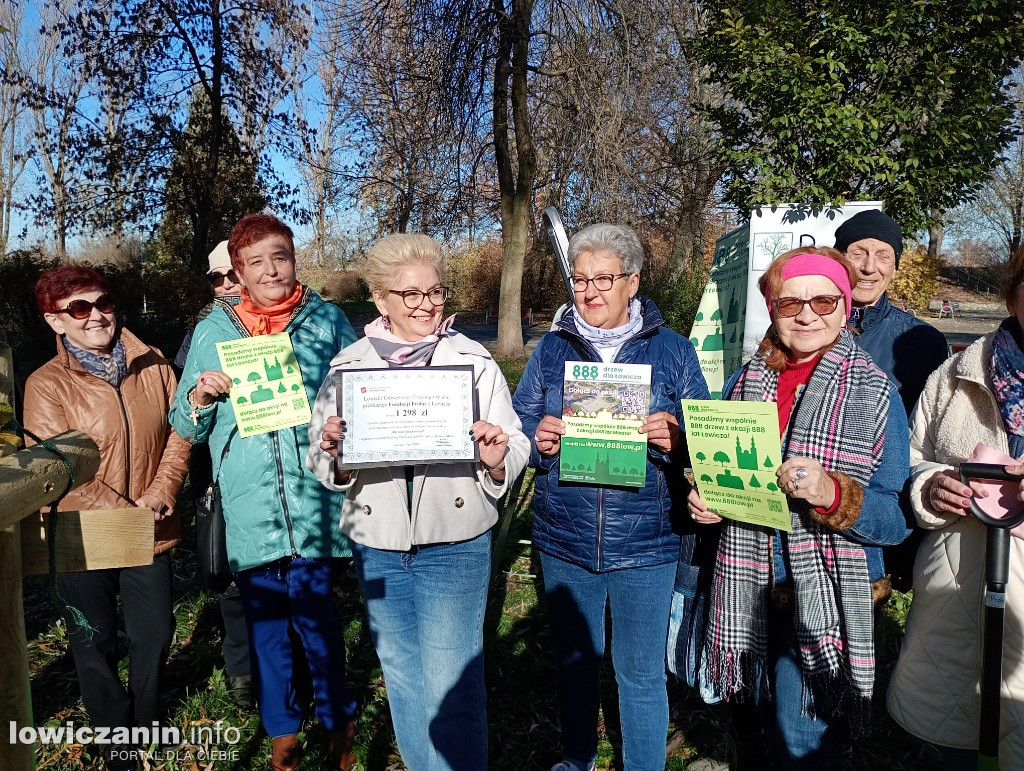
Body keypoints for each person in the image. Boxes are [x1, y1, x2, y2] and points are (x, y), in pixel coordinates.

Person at [307, 233, 529, 771]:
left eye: (435, 292)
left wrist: (497, 458)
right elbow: (317, 458)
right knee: (403, 675)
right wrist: (335, 452)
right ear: (380, 299)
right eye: (410, 295)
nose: (427, 304)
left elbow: (516, 439)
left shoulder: (472, 361)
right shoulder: (347, 366)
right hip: (378, 543)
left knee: (453, 681)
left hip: (455, 542)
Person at [687, 248, 909, 769]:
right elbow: (721, 467)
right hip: (747, 584)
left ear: (845, 304)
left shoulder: (877, 393)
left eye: (824, 300)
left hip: (825, 593)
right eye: (790, 304)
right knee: (759, 732)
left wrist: (834, 494)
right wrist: (710, 498)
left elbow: (896, 519)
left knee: (803, 742)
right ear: (772, 309)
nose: (807, 315)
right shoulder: (745, 382)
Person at [512, 223, 710, 771]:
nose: (590, 291)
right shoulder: (553, 349)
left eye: (604, 278)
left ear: (633, 282)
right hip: (564, 537)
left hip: (647, 542)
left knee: (641, 672)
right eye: (580, 279)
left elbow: (707, 436)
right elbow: (518, 422)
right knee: (575, 663)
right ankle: (575, 760)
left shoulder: (672, 351)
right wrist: (536, 439)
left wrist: (679, 439)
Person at [169, 214, 358, 771]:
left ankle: (338, 722)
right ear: (239, 273)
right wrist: (202, 394)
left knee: (319, 619)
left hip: (313, 497)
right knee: (267, 627)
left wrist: (344, 422)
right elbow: (186, 420)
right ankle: (281, 734)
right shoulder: (213, 331)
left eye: (279, 257)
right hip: (251, 502)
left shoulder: (326, 321)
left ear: (294, 258)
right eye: (256, 262)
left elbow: (360, 391)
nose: (270, 270)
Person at [24, 266, 191, 771]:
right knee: (92, 637)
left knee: (155, 633)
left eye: (103, 302)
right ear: (57, 322)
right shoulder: (45, 385)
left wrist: (161, 491)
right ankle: (114, 733)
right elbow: (58, 463)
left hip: (151, 525)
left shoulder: (155, 363)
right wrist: (123, 515)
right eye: (79, 308)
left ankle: (144, 721)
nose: (96, 315)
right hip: (84, 534)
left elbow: (180, 431)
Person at [887, 247, 1024, 768]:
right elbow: (914, 457)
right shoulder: (956, 374)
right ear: (1013, 296)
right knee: (958, 735)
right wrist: (931, 487)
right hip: (958, 584)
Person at [833, 209, 948, 589]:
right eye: (858, 252)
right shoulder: (806, 324)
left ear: (895, 267)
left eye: (883, 255)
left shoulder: (920, 342)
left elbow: (926, 441)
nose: (869, 267)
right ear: (838, 258)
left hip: (878, 517)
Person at [172, 240, 251, 709]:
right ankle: (241, 668)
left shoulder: (289, 324)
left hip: (280, 474)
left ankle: (288, 663)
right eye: (215, 278)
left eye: (231, 275)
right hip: (219, 475)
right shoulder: (202, 333)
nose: (225, 285)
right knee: (229, 572)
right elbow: (183, 414)